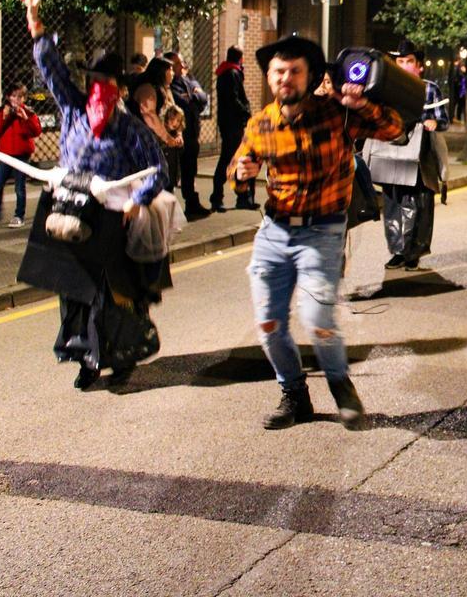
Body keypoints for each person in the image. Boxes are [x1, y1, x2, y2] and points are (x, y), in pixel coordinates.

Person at [229, 34, 404, 430]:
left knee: (317, 318)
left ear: (309, 77)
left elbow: (394, 129)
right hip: (273, 233)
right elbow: (240, 169)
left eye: (294, 71)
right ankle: (294, 395)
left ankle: (341, 385)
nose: (285, 78)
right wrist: (241, 175)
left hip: (322, 232)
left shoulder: (338, 115)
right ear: (269, 77)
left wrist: (363, 105)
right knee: (270, 325)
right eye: (278, 71)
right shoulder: (259, 124)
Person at [19, 0, 169, 390]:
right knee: (74, 291)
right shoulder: (71, 110)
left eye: (108, 84)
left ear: (119, 89)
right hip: (72, 208)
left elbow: (157, 169)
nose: (100, 90)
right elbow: (51, 69)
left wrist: (137, 203)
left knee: (113, 295)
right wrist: (35, 20)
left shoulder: (131, 129)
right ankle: (86, 360)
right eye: (95, 82)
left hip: (112, 219)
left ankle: (120, 357)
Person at [365, 39, 449, 271]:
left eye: (409, 61)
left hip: (419, 158)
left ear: (419, 65)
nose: (404, 65)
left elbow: (443, 120)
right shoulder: (386, 89)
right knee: (392, 205)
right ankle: (397, 251)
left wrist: (433, 122)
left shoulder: (429, 89)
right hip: (391, 155)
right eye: (399, 61)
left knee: (419, 205)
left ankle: (414, 252)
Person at [0, 82, 43, 228]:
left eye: (20, 97)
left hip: (22, 155)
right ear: (9, 97)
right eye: (14, 96)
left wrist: (25, 119)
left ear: (24, 98)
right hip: (6, 155)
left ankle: (19, 215)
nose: (17, 99)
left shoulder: (29, 113)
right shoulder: (1, 112)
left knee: (19, 187)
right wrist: (4, 118)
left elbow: (35, 131)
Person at [210, 46, 257, 212]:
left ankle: (239, 197)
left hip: (228, 122)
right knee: (229, 159)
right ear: (240, 58)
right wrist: (246, 113)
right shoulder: (232, 74)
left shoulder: (226, 73)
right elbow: (235, 99)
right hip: (233, 124)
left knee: (233, 158)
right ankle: (219, 197)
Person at [167, 51, 211, 219]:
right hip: (177, 136)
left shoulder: (187, 80)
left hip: (192, 133)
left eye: (181, 63)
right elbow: (184, 105)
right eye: (178, 64)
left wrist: (192, 95)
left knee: (190, 170)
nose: (182, 66)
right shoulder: (171, 86)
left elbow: (202, 98)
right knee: (173, 173)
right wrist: (192, 96)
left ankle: (192, 203)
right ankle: (170, 210)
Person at [129, 57, 184, 190]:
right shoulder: (147, 88)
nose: (172, 73)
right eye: (169, 69)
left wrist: (177, 132)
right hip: (140, 140)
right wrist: (167, 138)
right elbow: (150, 116)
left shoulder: (162, 88)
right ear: (161, 71)